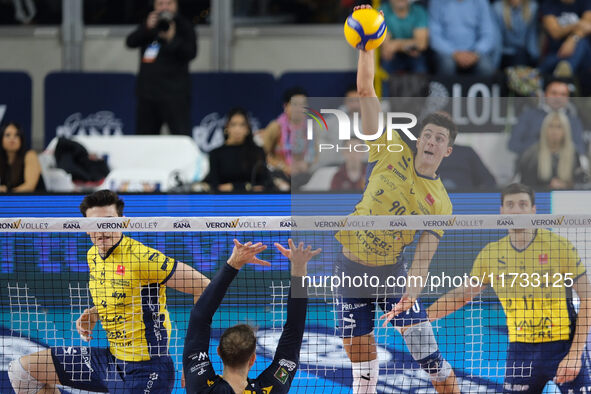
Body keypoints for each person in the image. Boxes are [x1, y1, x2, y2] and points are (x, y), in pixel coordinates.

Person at [336, 6, 460, 393]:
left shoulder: (440, 203)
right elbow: (366, 92)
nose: (432, 141)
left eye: (441, 138)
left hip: (392, 274)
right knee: (359, 360)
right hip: (349, 266)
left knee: (433, 363)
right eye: (428, 135)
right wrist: (366, 46)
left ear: (447, 151)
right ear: (419, 138)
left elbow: (423, 258)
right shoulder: (390, 148)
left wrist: (412, 291)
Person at [8, 190, 210, 393]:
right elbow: (124, 292)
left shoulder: (143, 258)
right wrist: (96, 312)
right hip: (109, 362)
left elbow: (204, 287)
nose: (101, 230)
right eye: (94, 224)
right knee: (22, 371)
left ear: (123, 221)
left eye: (109, 222)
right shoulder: (93, 255)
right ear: (85, 227)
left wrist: (195, 356)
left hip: (147, 370)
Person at [427, 183, 591, 393]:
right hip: (520, 351)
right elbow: (462, 295)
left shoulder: (559, 246)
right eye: (510, 204)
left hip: (563, 345)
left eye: (523, 204)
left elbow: (587, 298)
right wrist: (421, 318)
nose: (516, 209)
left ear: (533, 210)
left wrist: (575, 355)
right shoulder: (491, 254)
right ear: (502, 211)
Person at [183, 238, 321, 393]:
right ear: (253, 358)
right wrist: (299, 268)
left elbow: (199, 317)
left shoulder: (200, 385)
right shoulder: (273, 387)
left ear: (219, 352)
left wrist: (233, 264)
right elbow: (294, 330)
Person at [126, 0, 197, 136]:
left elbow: (191, 53)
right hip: (148, 94)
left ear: (176, 5)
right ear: (154, 6)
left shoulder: (184, 26)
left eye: (169, 3)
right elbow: (130, 42)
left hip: (175, 95)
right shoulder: (150, 24)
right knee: (144, 138)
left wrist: (172, 39)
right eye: (160, 3)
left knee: (180, 136)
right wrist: (146, 28)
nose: (165, 7)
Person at [508, 76, 586, 155]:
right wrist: (541, 149)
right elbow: (513, 144)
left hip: (563, 163)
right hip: (533, 162)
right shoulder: (529, 115)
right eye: (554, 93)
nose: (558, 97)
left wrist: (559, 151)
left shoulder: (574, 121)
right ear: (545, 95)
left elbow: (580, 148)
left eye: (563, 94)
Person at [258, 87, 315, 190]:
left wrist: (307, 164)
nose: (299, 108)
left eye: (303, 104)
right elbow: (262, 155)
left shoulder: (312, 127)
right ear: (285, 106)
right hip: (280, 175)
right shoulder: (275, 127)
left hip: (305, 175)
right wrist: (283, 167)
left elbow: (317, 154)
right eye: (295, 104)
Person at [206, 108, 272, 192]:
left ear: (247, 129)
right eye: (233, 124)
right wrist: (249, 187)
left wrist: (234, 186)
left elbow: (265, 183)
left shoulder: (257, 152)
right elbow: (215, 185)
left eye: (242, 125)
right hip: (225, 201)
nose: (237, 129)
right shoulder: (216, 154)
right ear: (227, 128)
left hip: (254, 201)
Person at [517, 111, 586, 189]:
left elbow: (580, 183)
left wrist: (566, 185)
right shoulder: (531, 155)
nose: (554, 131)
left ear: (565, 131)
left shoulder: (574, 153)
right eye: (551, 126)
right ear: (544, 129)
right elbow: (526, 185)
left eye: (559, 127)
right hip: (540, 197)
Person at [429, 0, 499, 76]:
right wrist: (454, 53)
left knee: (486, 67)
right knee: (447, 65)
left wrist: (476, 53)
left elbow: (488, 33)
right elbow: (434, 35)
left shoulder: (481, 2)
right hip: (447, 53)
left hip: (475, 52)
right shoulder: (437, 2)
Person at [539, 0, 591, 77]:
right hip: (557, 53)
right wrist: (577, 24)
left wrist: (573, 39)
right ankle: (564, 71)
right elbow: (555, 32)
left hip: (584, 55)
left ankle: (564, 73)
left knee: (581, 43)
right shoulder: (549, 4)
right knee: (544, 67)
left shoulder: (585, 2)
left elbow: (588, 26)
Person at [380, 0, 429, 74]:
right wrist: (409, 45)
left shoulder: (419, 11)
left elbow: (422, 44)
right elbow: (387, 48)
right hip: (395, 55)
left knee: (420, 68)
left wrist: (396, 44)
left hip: (414, 54)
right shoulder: (382, 12)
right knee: (386, 65)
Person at [492, 0, 540, 68]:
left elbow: (531, 35)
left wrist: (535, 57)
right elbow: (497, 39)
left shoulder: (532, 6)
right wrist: (495, 63)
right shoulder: (497, 8)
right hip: (504, 51)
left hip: (522, 52)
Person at [0, 122, 45, 193]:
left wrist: (8, 192)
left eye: (16, 135)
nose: (12, 139)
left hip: (34, 201)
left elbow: (30, 187)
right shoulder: (2, 159)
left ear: (21, 139)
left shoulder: (30, 155)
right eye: (7, 135)